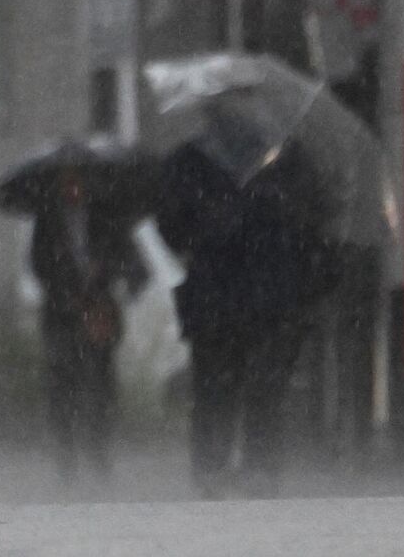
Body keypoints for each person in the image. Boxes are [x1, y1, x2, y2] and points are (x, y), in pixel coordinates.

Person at [157, 145, 342, 499]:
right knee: (241, 388)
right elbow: (173, 229)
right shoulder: (284, 161)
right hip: (247, 297)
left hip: (245, 297)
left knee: (237, 388)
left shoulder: (198, 162)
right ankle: (238, 468)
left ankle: (234, 467)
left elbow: (172, 230)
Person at [27, 173, 148, 486]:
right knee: (61, 385)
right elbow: (39, 264)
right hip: (62, 315)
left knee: (101, 385)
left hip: (98, 313)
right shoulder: (48, 219)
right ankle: (66, 458)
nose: (73, 188)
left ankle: (98, 453)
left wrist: (104, 271)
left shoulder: (107, 217)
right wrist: (66, 289)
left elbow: (130, 262)